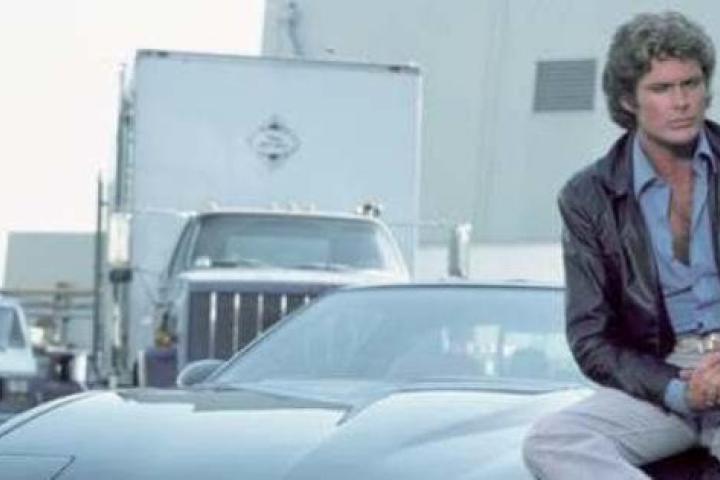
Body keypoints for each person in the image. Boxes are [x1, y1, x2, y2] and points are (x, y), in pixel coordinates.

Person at [523, 11, 720, 479]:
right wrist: (680, 390)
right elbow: (591, 339)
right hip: (666, 376)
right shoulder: (588, 197)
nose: (681, 102)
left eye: (690, 84)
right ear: (629, 100)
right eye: (662, 88)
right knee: (552, 442)